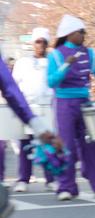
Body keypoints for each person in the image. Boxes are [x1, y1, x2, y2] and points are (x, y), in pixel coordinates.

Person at [46, 15, 95, 201]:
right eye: (81, 32)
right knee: (66, 146)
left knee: (91, 144)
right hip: (64, 104)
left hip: (85, 103)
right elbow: (51, 81)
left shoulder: (89, 53)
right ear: (70, 33)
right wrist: (66, 65)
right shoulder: (56, 55)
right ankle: (66, 186)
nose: (84, 35)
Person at [11, 28, 56, 192]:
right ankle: (23, 179)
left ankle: (50, 179)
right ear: (33, 43)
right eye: (38, 41)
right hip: (27, 108)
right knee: (26, 145)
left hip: (47, 108)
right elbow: (13, 85)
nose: (41, 45)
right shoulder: (22, 63)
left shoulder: (53, 62)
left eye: (44, 42)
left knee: (47, 144)